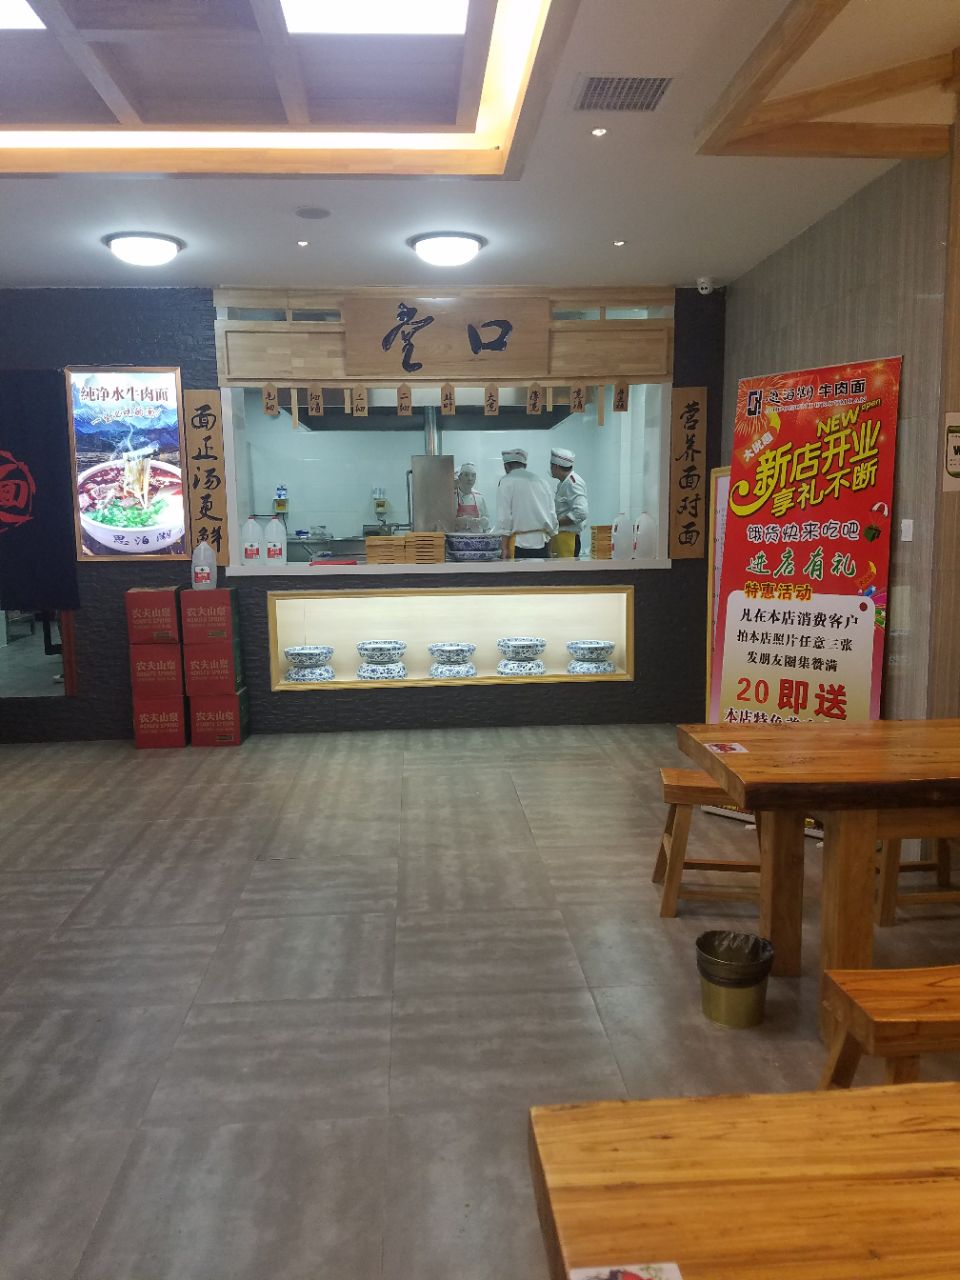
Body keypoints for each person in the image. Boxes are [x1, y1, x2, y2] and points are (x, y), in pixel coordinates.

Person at [494, 448, 558, 559]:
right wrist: (550, 550)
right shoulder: (543, 482)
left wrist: (504, 548)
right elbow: (552, 516)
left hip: (518, 545)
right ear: (525, 465)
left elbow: (504, 518)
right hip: (543, 544)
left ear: (506, 466)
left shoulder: (506, 481)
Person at [550, 447, 589, 558]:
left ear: (556, 466)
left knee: (566, 569)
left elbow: (581, 512)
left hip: (568, 539)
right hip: (561, 538)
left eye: (551, 465)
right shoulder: (563, 483)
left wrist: (556, 523)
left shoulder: (573, 483)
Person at [454, 462, 490, 530]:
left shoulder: (479, 497)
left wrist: (484, 521)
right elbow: (445, 522)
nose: (470, 478)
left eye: (473, 475)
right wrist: (458, 521)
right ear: (460, 477)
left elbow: (486, 520)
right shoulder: (452, 497)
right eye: (466, 475)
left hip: (477, 536)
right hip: (457, 536)